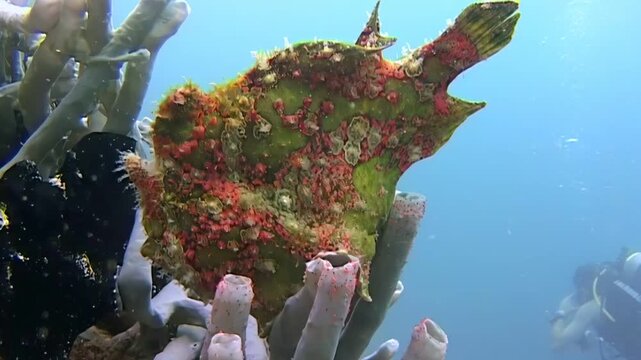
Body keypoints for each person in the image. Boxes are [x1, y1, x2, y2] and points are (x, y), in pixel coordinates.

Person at [550, 248, 641, 359]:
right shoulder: (622, 293)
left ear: (583, 288)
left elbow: (558, 343)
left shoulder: (591, 308)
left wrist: (560, 312)